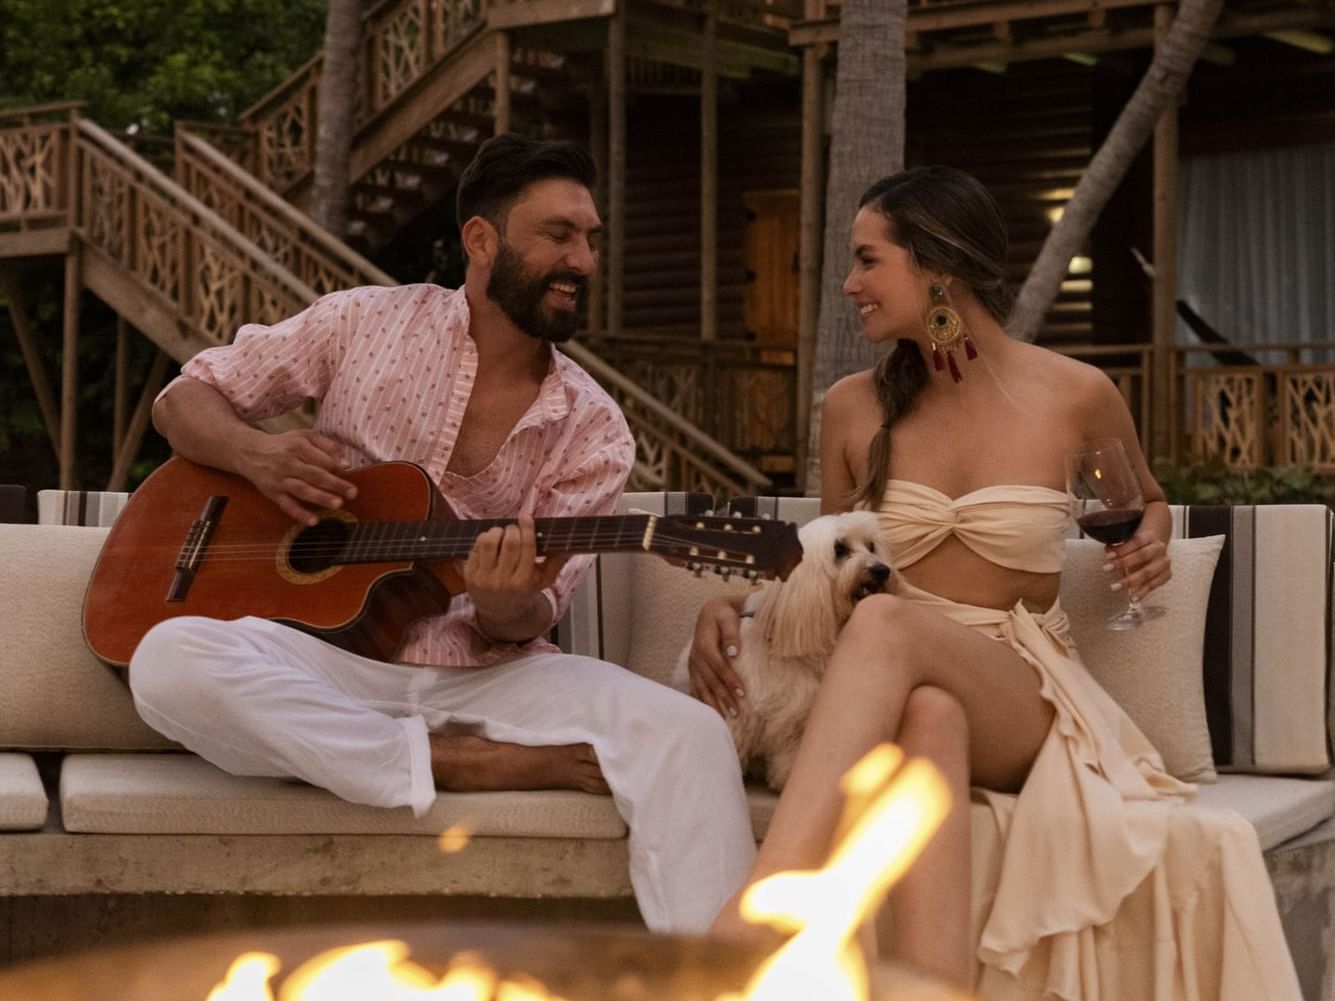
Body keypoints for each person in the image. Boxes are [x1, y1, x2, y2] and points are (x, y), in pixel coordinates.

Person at [689, 166, 1302, 997]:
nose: (849, 284)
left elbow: (1143, 500)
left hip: (1023, 688)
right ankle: (931, 984)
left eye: (868, 260)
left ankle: (756, 919)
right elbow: (819, 559)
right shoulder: (851, 405)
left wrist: (1150, 538)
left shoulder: (1074, 393)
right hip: (898, 686)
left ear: (935, 267)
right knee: (926, 712)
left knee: (883, 628)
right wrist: (727, 607)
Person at [128, 133, 756, 934]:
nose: (584, 259)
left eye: (591, 239)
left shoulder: (592, 427)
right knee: (168, 660)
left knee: (690, 734)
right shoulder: (362, 323)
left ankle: (728, 980)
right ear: (481, 240)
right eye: (558, 234)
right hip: (327, 664)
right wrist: (259, 455)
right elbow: (185, 400)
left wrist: (507, 603)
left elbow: (536, 611)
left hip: (490, 680)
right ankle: (448, 761)